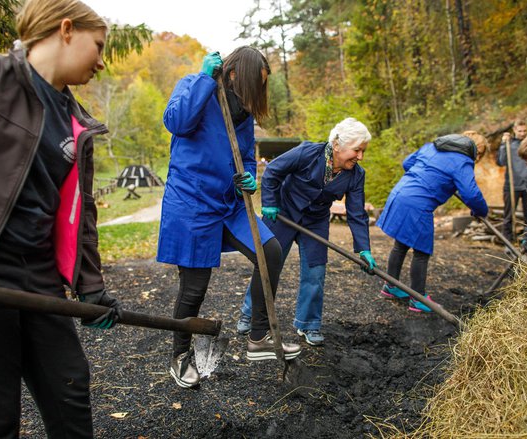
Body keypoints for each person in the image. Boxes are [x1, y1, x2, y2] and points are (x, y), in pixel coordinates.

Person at [0, 0, 122, 437]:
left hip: (39, 277)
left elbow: (80, 214)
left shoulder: (76, 123)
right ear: (66, 30)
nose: (102, 62)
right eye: (98, 46)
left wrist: (92, 289)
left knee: (70, 390)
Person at [158, 46, 301, 389]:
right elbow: (175, 121)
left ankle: (257, 337)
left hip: (229, 203)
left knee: (271, 251)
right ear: (235, 74)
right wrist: (206, 79)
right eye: (256, 83)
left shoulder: (244, 115)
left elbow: (248, 157)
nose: (259, 92)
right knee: (194, 289)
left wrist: (251, 179)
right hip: (192, 203)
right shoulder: (195, 85)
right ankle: (180, 356)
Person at [236, 118, 376, 346]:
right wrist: (270, 201)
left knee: (315, 270)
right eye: (357, 150)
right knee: (268, 265)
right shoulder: (308, 153)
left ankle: (308, 323)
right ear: (338, 144)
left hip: (316, 221)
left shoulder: (356, 175)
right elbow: (273, 171)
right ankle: (250, 313)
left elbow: (357, 213)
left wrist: (364, 249)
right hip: (282, 212)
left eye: (362, 151)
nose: (360, 157)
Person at [376, 132, 489, 312]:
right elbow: (471, 193)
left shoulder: (432, 147)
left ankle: (390, 286)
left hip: (400, 193)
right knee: (421, 252)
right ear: (476, 151)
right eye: (479, 155)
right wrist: (482, 211)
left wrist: (431, 176)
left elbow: (407, 163)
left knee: (401, 245)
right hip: (417, 204)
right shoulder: (463, 160)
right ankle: (418, 298)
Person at [497, 119, 527, 242]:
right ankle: (508, 242)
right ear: (514, 130)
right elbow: (501, 162)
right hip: (511, 185)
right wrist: (503, 144)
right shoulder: (509, 144)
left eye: (525, 130)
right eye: (520, 131)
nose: (522, 133)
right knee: (509, 216)